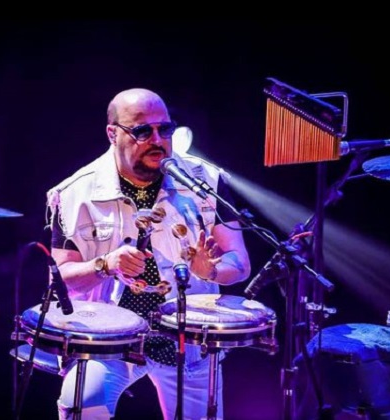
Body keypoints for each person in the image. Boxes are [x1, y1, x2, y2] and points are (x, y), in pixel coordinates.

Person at [45, 87, 251, 419]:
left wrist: (211, 271)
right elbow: (61, 280)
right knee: (80, 406)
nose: (157, 140)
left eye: (164, 129)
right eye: (142, 131)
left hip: (186, 340)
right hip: (107, 340)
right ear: (113, 133)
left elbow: (239, 262)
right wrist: (104, 265)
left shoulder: (206, 181)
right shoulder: (75, 192)